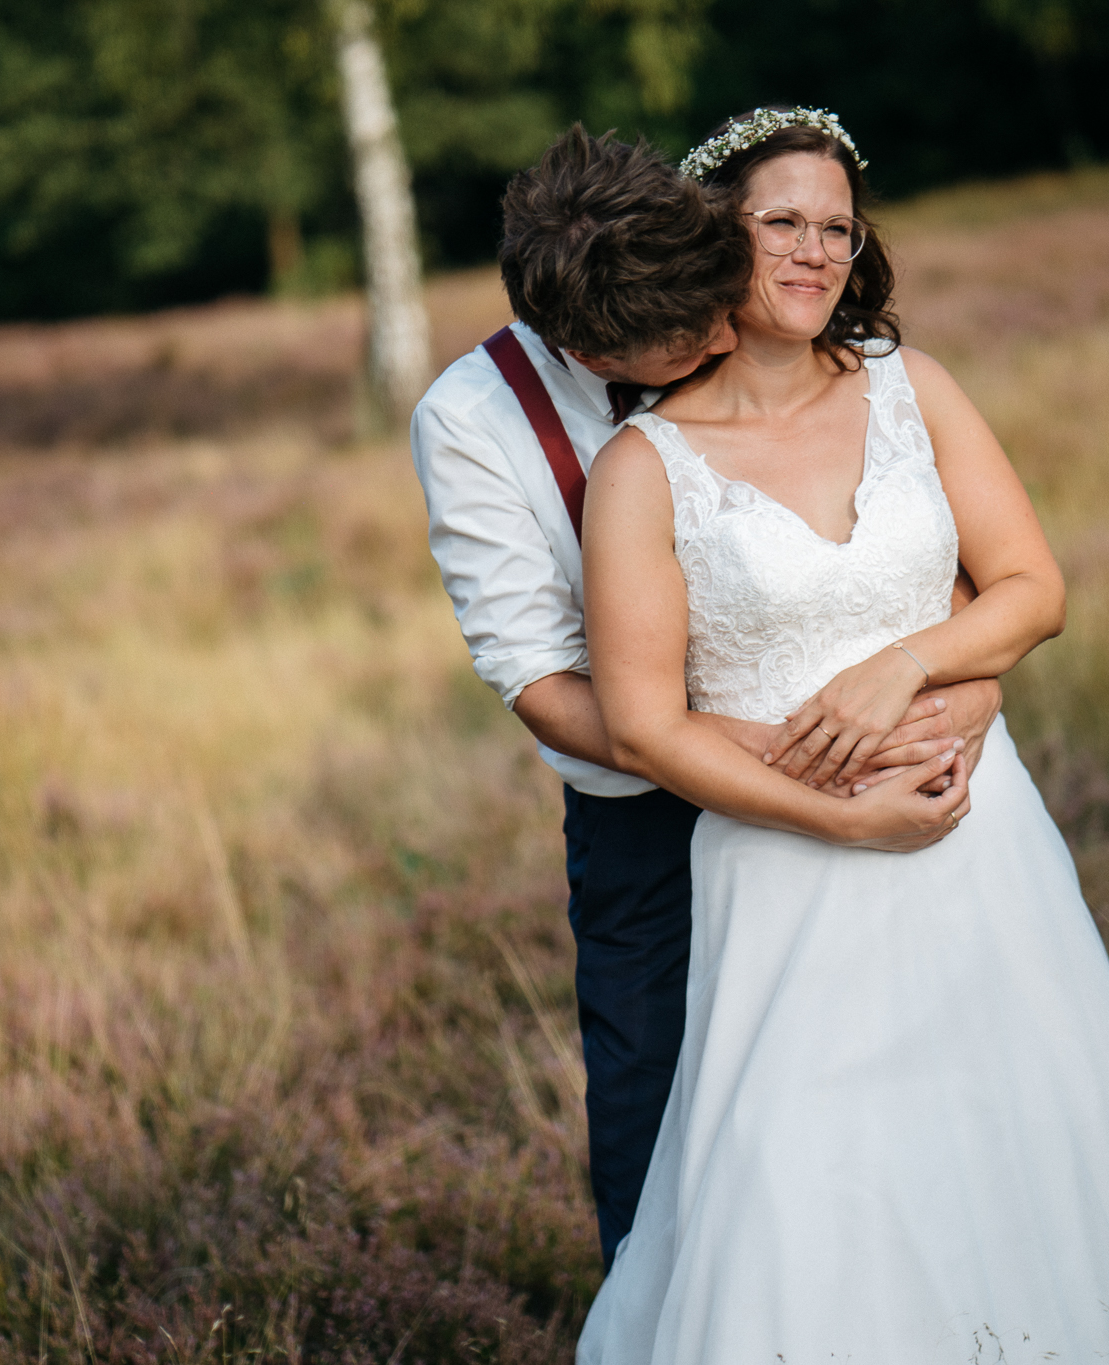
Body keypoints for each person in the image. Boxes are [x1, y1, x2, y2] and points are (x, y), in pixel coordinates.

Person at [576, 108, 1109, 1362]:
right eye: (780, 220)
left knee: (1020, 1128)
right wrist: (841, 813)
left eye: (835, 227)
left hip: (976, 839)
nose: (812, 250)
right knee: (810, 1169)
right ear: (713, 236)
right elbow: (646, 725)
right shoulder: (642, 467)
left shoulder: (910, 386)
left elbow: (1030, 591)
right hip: (783, 870)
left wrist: (909, 667)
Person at [409, 126, 1003, 1270]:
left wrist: (945, 695)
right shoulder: (472, 423)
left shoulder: (742, 310)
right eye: (696, 338)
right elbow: (537, 681)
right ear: (585, 344)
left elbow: (923, 563)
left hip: (873, 764)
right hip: (644, 816)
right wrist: (785, 756)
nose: (732, 335)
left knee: (875, 1086)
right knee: (658, 1099)